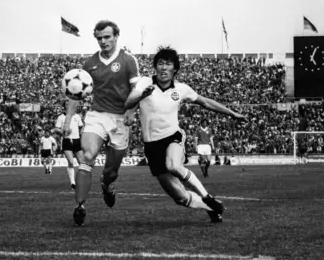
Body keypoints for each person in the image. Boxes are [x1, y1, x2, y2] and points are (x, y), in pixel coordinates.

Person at [124, 46, 247, 223]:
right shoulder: (145, 82)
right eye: (160, 64)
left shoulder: (182, 89)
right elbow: (129, 102)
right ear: (155, 67)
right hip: (151, 145)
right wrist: (140, 98)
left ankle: (207, 197)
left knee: (173, 165)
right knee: (180, 198)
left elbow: (205, 102)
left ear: (175, 69)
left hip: (172, 137)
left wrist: (232, 113)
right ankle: (210, 208)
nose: (164, 68)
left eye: (168, 64)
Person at [63, 20, 140, 226]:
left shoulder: (128, 60)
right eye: (99, 38)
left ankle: (106, 185)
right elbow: (74, 93)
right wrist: (69, 119)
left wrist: (132, 111)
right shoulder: (89, 64)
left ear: (116, 36)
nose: (103, 41)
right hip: (97, 115)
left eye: (107, 37)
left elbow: (137, 91)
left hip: (120, 119)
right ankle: (80, 206)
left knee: (111, 171)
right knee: (87, 156)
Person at [54, 100, 83, 190]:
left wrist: (81, 135)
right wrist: (63, 131)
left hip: (77, 141)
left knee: (82, 163)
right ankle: (73, 183)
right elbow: (56, 129)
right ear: (64, 106)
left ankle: (81, 180)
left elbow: (81, 126)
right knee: (70, 162)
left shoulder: (77, 116)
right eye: (66, 104)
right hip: (67, 141)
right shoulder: (61, 117)